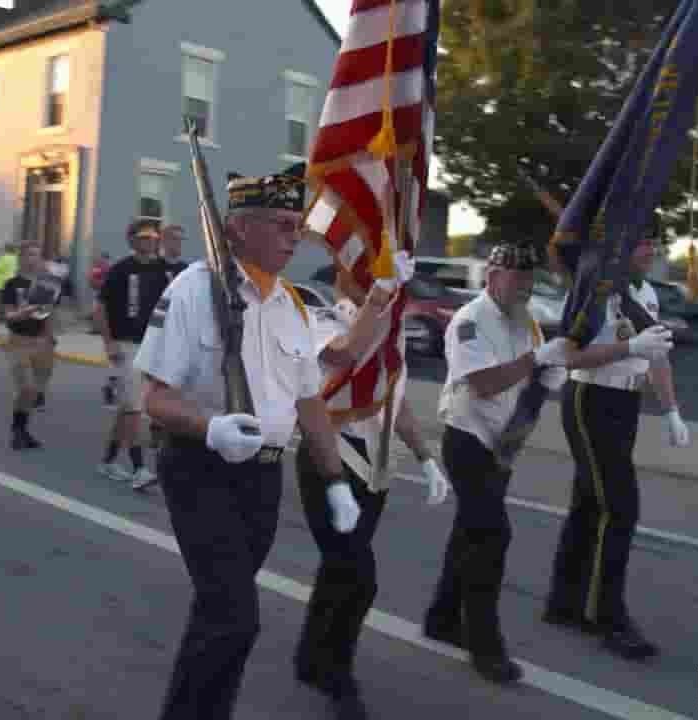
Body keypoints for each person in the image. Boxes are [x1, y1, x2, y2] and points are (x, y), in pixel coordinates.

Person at [135, 162, 359, 720]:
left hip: (261, 477)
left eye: (296, 225)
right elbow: (155, 398)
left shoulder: (293, 305)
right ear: (239, 228)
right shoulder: (194, 289)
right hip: (199, 469)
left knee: (220, 614)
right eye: (282, 225)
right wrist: (210, 427)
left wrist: (336, 481)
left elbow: (310, 402)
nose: (295, 237)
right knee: (236, 616)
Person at [294, 254, 447, 714]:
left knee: (339, 569)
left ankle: (310, 655)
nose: (384, 285)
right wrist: (379, 297)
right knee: (359, 578)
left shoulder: (390, 328)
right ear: (347, 276)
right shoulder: (319, 317)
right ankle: (336, 675)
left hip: (376, 465)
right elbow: (343, 355)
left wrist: (426, 457)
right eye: (370, 274)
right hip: (331, 458)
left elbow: (393, 402)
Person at [425, 243, 573, 684]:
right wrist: (536, 361)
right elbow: (487, 384)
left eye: (530, 282)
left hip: (502, 443)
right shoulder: (469, 322)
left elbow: (540, 373)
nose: (526, 288)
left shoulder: (524, 320)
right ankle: (484, 645)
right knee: (491, 536)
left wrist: (555, 368)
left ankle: (441, 618)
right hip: (467, 440)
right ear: (492, 278)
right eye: (517, 280)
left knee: (469, 534)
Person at [544, 228, 688, 661]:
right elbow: (568, 356)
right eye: (644, 240)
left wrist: (672, 410)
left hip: (625, 402)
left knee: (590, 504)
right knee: (620, 507)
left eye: (655, 244)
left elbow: (656, 356)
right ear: (623, 243)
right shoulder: (597, 288)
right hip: (591, 398)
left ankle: (564, 602)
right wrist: (628, 345)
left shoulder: (644, 294)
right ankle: (609, 616)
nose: (651, 249)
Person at [93, 219, 172, 488]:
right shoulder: (120, 270)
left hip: (155, 345)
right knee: (135, 408)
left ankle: (108, 461)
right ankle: (139, 468)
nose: (149, 241)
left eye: (153, 237)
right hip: (127, 344)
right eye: (143, 237)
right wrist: (109, 343)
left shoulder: (165, 271)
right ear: (132, 241)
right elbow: (100, 309)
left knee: (129, 407)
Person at [0, 243, 62, 450]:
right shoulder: (11, 284)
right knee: (26, 388)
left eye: (36, 255)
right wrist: (23, 312)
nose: (33, 259)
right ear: (21, 258)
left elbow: (50, 313)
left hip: (40, 342)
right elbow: (8, 316)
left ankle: (23, 430)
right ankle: (17, 431)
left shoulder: (47, 285)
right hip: (18, 341)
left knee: (34, 391)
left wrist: (50, 337)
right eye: (29, 255)